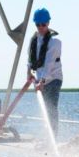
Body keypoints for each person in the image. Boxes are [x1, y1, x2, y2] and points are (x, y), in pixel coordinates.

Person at [27, 8, 63, 136]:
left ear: (48, 23)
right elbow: (30, 58)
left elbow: (49, 64)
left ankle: (53, 137)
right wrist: (29, 73)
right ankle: (47, 136)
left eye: (44, 24)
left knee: (51, 108)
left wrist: (41, 81)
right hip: (40, 79)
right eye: (38, 24)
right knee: (45, 110)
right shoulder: (34, 40)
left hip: (53, 79)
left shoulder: (55, 42)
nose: (41, 27)